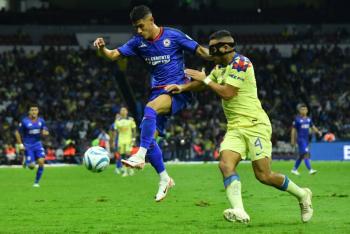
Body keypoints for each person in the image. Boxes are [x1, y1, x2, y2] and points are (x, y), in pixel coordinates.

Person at [165, 30, 313, 223]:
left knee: (264, 175)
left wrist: (206, 79)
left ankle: (302, 195)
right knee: (225, 164)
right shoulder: (220, 68)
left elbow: (227, 93)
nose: (211, 53)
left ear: (226, 47)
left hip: (255, 125)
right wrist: (183, 87)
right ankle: (239, 210)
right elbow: (204, 84)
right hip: (235, 126)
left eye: (214, 48)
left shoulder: (242, 63)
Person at [93, 5, 211, 201]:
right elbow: (113, 55)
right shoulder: (138, 43)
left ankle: (139, 155)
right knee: (149, 138)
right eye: (136, 28)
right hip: (158, 91)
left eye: (141, 26)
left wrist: (217, 56)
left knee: (150, 109)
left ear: (151, 20)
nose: (139, 31)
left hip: (178, 89)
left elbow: (200, 50)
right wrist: (102, 48)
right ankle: (164, 179)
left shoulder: (173, 35)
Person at [15, 104, 49, 187]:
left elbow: (45, 129)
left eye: (35, 110)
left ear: (38, 111)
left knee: (41, 162)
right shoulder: (24, 121)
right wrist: (20, 144)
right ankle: (26, 159)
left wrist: (45, 132)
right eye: (32, 110)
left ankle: (36, 183)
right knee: (32, 167)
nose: (34, 111)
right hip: (28, 145)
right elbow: (17, 132)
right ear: (29, 112)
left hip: (38, 144)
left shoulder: (41, 121)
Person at [291, 104, 322, 175]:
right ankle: (310, 170)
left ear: (307, 110)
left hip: (306, 140)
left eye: (305, 109)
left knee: (301, 155)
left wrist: (318, 132)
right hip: (301, 140)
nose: (304, 110)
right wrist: (292, 140)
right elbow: (293, 130)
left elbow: (312, 126)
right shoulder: (297, 119)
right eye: (302, 109)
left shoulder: (308, 119)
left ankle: (294, 169)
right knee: (306, 154)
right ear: (299, 111)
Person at [110, 107, 136, 177]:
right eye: (122, 110)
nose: (123, 111)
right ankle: (125, 171)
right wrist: (113, 141)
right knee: (122, 155)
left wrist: (134, 138)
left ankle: (130, 169)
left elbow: (134, 129)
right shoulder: (117, 121)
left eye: (124, 110)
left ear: (127, 111)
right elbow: (115, 131)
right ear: (120, 112)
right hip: (121, 140)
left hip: (129, 139)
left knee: (128, 154)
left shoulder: (130, 120)